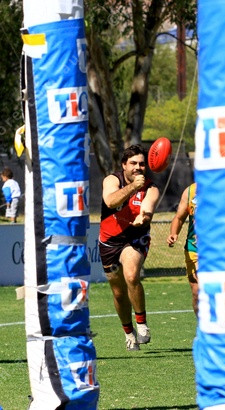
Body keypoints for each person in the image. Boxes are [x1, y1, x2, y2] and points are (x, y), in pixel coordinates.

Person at [99, 145, 160, 351]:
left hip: (135, 238)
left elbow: (147, 208)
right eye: (133, 163)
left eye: (142, 164)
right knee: (118, 292)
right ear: (124, 165)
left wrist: (144, 217)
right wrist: (133, 187)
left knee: (132, 275)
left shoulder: (151, 188)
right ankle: (129, 333)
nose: (138, 168)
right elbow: (110, 201)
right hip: (109, 241)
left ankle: (142, 324)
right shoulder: (112, 180)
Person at [166, 183, 198, 315]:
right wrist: (173, 233)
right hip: (194, 248)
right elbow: (179, 217)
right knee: (197, 292)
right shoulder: (191, 191)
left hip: (220, 249)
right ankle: (202, 325)